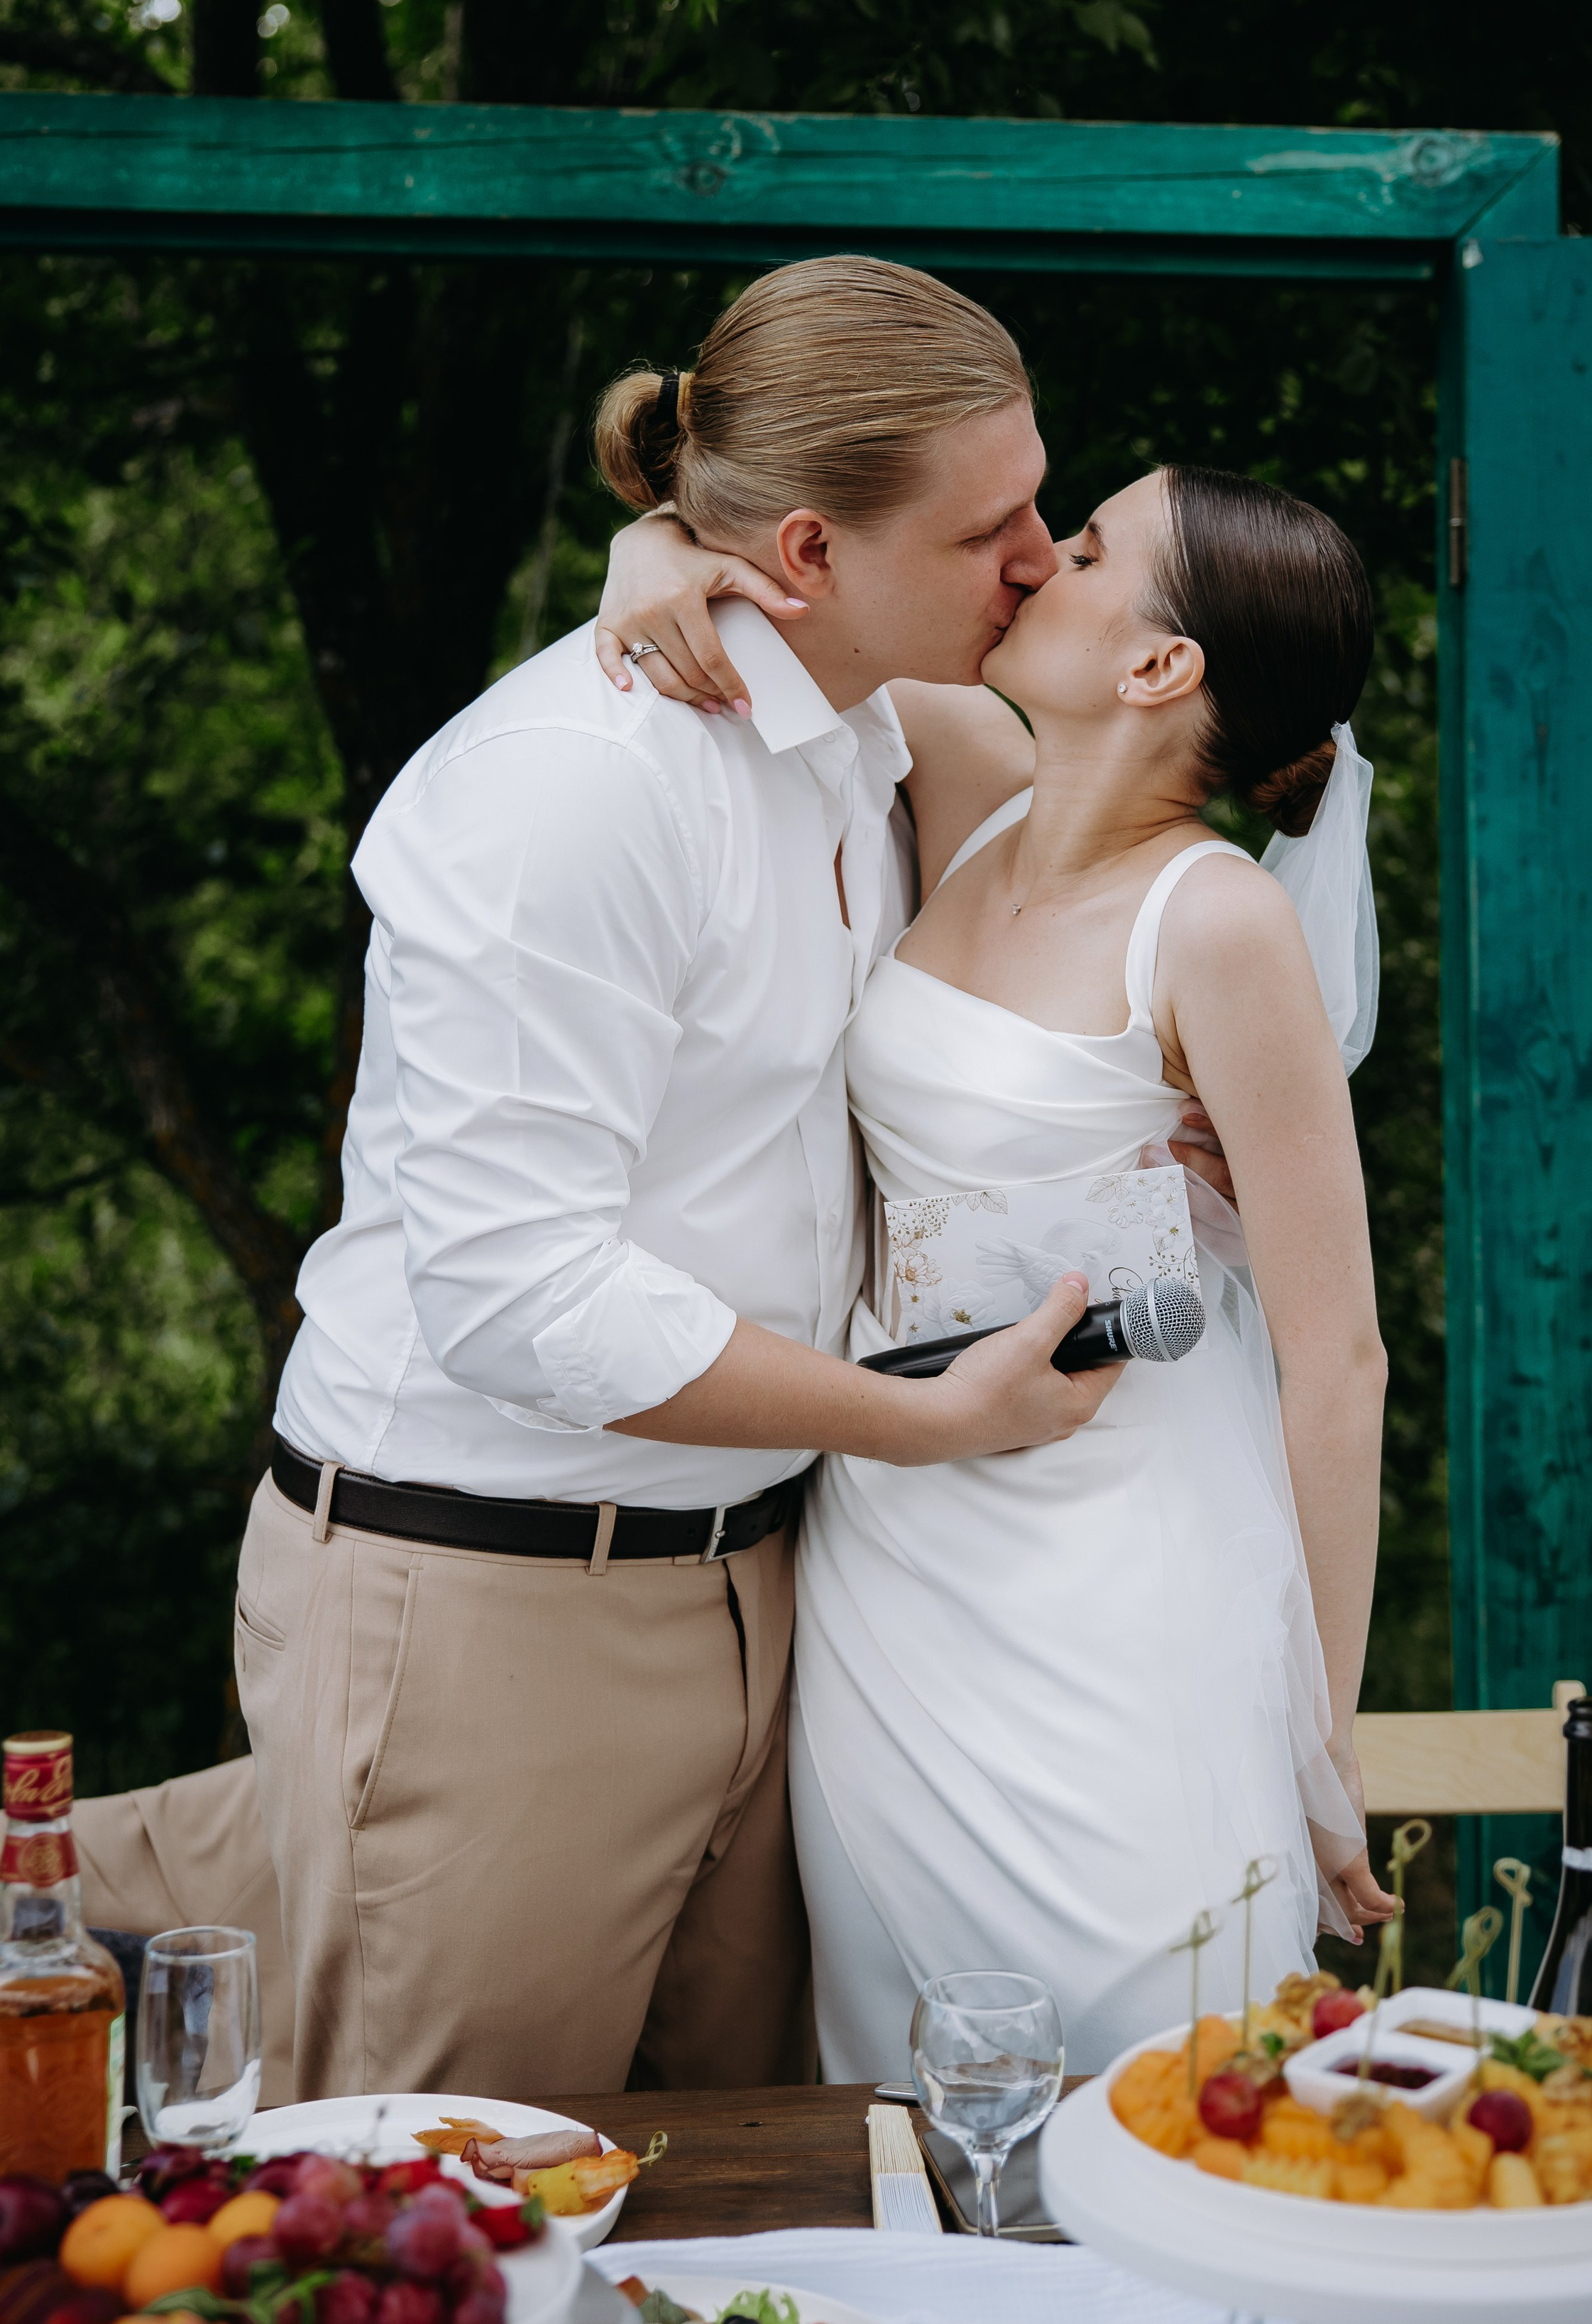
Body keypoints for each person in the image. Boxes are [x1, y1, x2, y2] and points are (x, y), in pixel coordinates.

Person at [236, 257, 1129, 2104]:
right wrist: (921, 1422)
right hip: (492, 1604)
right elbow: (519, 1300)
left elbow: (1105, 837)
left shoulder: (873, 727)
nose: (1041, 554)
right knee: (456, 2215)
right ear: (807, 551)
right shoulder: (571, 790)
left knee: (737, 2217)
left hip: (771, 1585)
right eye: (996, 528)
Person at [595, 461, 1397, 2074]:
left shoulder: (1215, 920)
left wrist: (1316, 1739)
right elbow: (789, 589)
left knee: (1138, 2049)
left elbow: (1338, 1358)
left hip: (1115, 1566)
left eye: (1089, 550)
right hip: (891, 1558)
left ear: (1159, 667)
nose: (1033, 562)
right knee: (903, 2065)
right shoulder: (972, 788)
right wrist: (644, 550)